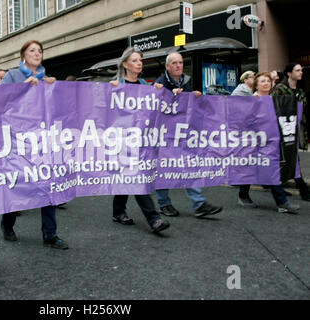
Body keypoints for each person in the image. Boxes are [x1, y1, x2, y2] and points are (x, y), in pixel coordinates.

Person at [0, 40, 68, 249]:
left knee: (48, 186)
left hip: (43, 139)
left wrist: (56, 89)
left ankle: (50, 234)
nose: (37, 54)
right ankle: (7, 223)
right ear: (23, 55)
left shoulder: (47, 78)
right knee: (19, 184)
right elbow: (0, 99)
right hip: (19, 140)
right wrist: (23, 87)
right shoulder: (12, 75)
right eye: (32, 50)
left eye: (40, 51)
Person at [153, 52, 222, 218]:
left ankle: (199, 204)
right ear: (167, 66)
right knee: (165, 169)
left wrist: (194, 97)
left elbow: (189, 107)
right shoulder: (160, 83)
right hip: (165, 135)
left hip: (183, 133)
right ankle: (164, 204)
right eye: (174, 63)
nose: (178, 66)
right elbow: (154, 105)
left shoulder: (187, 81)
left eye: (180, 63)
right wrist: (169, 95)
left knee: (189, 165)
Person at [109, 47, 169, 234]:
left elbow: (154, 108)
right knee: (135, 176)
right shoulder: (115, 84)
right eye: (135, 60)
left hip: (141, 141)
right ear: (126, 64)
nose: (139, 63)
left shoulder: (145, 84)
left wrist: (159, 90)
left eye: (140, 60)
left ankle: (118, 211)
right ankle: (154, 219)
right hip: (122, 140)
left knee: (129, 175)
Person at [250, 72, 300, 213]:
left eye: (268, 81)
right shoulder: (252, 100)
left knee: (253, 169)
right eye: (262, 81)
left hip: (272, 140)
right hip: (257, 142)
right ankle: (282, 202)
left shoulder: (273, 99)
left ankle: (243, 194)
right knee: (269, 169)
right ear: (256, 85)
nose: (266, 83)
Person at [271, 63, 310, 202]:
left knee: (291, 159)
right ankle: (303, 189)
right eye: (297, 70)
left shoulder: (300, 91)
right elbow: (273, 109)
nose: (301, 73)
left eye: (301, 70)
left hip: (295, 131)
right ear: (289, 73)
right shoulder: (279, 89)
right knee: (292, 160)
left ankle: (277, 185)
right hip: (282, 131)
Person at [231, 71, 256, 207]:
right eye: (253, 77)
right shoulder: (241, 92)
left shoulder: (250, 92)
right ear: (246, 80)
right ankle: (243, 193)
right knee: (246, 161)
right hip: (243, 131)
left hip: (251, 131)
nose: (255, 79)